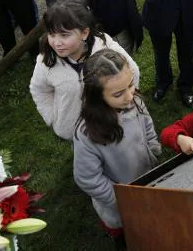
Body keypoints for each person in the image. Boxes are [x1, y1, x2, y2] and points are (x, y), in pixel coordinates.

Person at [73, 48, 160, 246]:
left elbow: (147, 124)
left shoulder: (134, 101)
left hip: (149, 184)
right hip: (120, 209)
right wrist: (123, 201)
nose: (130, 96)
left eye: (130, 85)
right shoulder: (87, 134)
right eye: (119, 93)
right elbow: (87, 179)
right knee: (131, 238)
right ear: (97, 96)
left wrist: (153, 147)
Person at [30, 0, 139, 141]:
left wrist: (123, 101)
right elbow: (39, 90)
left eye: (64, 35)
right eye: (52, 34)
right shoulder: (46, 61)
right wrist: (53, 119)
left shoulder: (105, 46)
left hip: (112, 124)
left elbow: (133, 72)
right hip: (75, 134)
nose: (56, 43)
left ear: (84, 33)